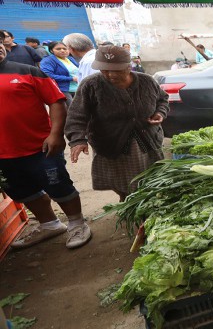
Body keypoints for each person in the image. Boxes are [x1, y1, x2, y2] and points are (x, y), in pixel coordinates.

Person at [0, 34, 91, 250]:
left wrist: (56, 134)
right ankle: (50, 224)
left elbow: (56, 101)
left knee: (58, 184)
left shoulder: (27, 70)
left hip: (40, 146)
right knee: (24, 191)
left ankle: (77, 223)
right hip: (4, 154)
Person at [65, 46, 169, 201]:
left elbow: (162, 99)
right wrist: (78, 139)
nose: (110, 74)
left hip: (146, 140)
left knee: (150, 178)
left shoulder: (147, 81)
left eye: (117, 70)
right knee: (119, 180)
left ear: (129, 66)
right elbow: (77, 115)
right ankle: (126, 199)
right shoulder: (91, 85)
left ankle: (146, 202)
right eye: (104, 70)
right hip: (111, 141)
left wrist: (160, 113)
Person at [39, 41, 80, 106]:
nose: (62, 50)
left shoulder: (70, 59)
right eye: (58, 49)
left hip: (76, 88)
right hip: (62, 89)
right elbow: (47, 75)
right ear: (52, 51)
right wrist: (71, 78)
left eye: (65, 48)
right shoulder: (48, 60)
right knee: (71, 110)